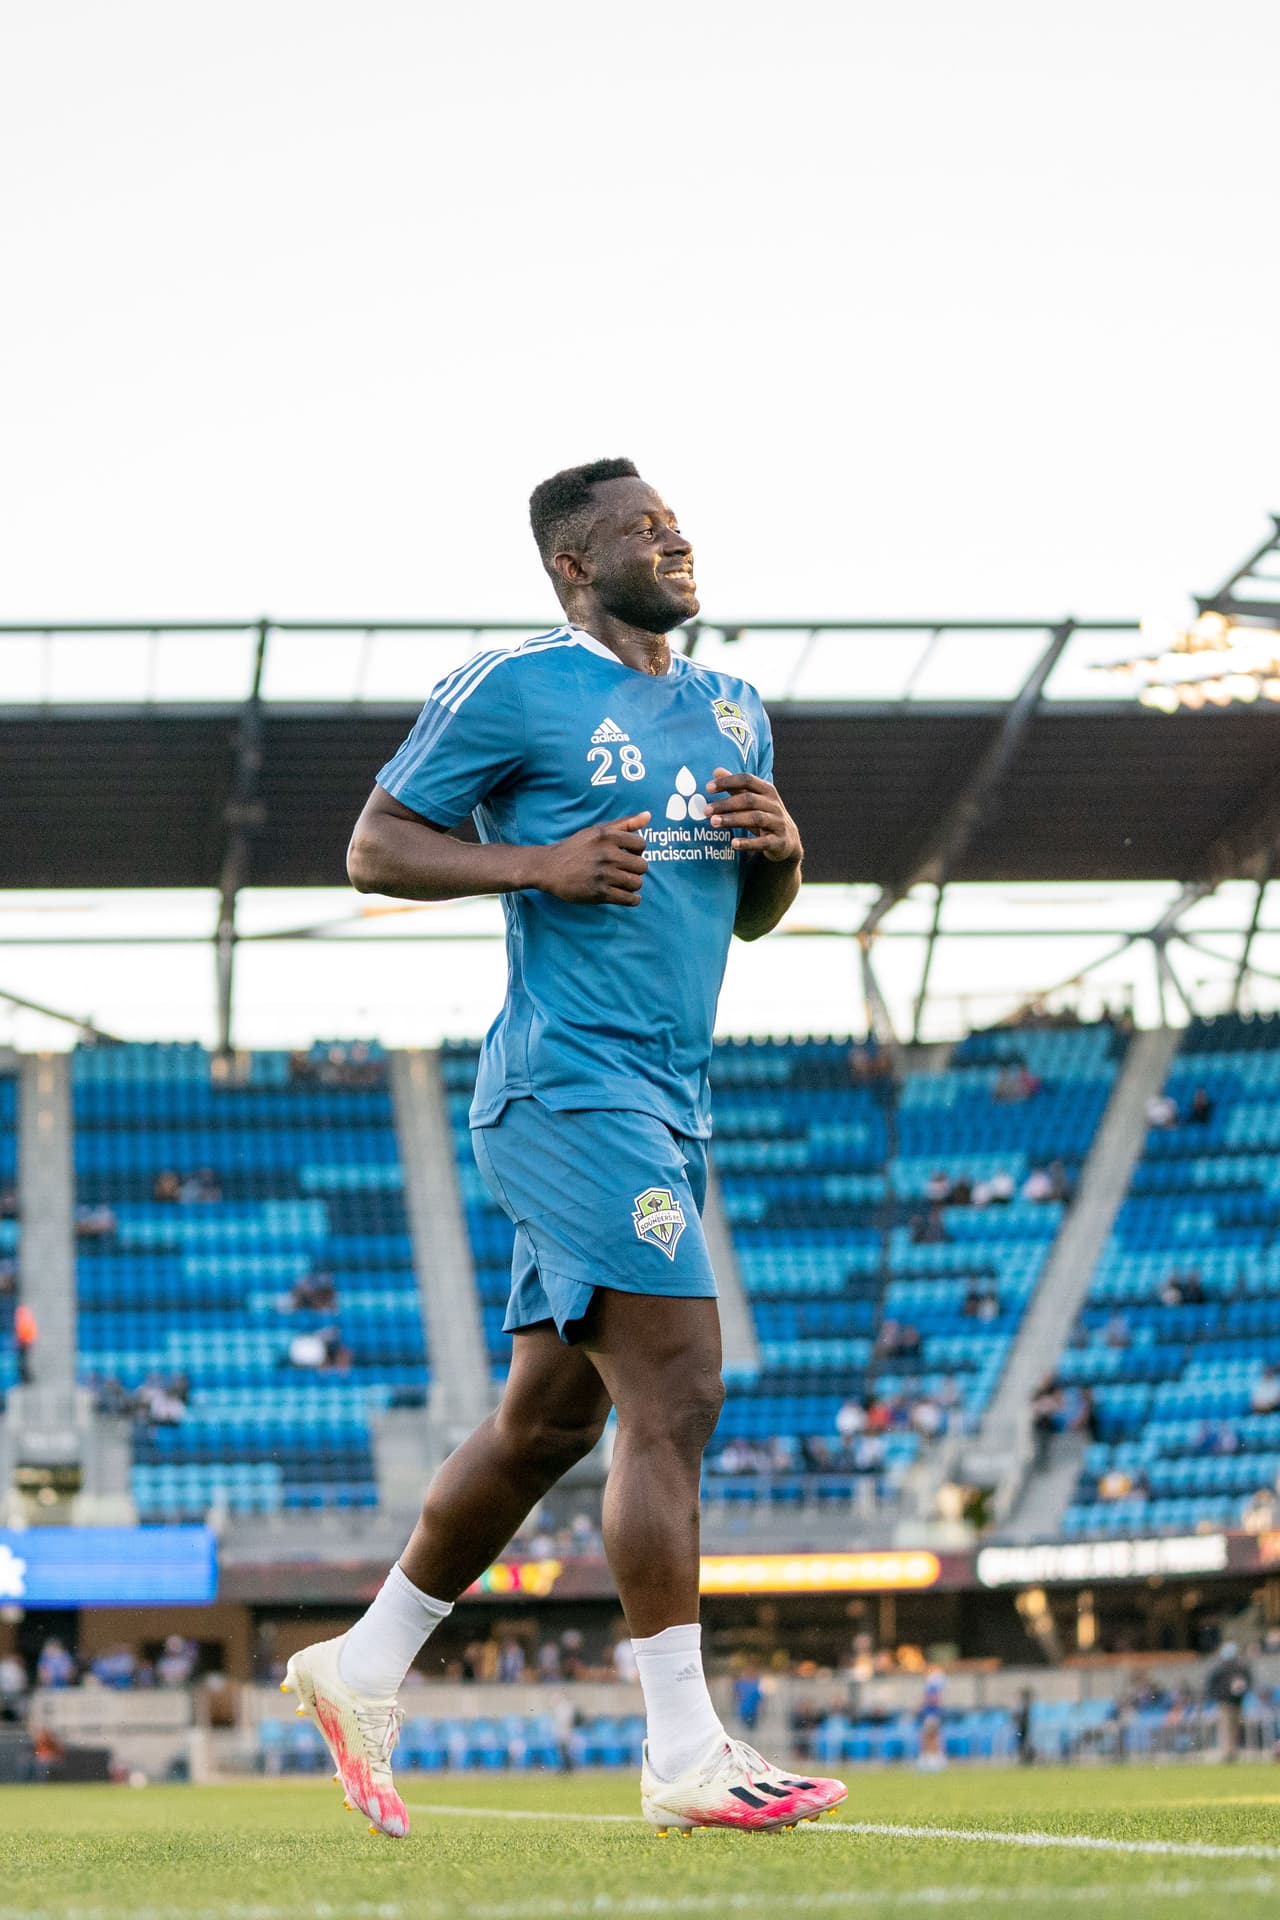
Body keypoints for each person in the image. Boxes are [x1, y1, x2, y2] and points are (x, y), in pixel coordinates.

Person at [281, 458, 847, 1840]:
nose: (676, 539)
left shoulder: (732, 706)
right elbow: (374, 847)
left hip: (673, 1095)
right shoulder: (516, 685)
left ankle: (359, 1668)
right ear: (574, 567)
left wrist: (781, 853)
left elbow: (749, 914)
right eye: (641, 530)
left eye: (678, 521)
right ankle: (682, 1753)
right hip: (568, 1086)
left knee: (550, 1422)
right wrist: (536, 863)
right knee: (680, 1386)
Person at [1204, 1640, 1252, 1762]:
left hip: (1237, 1701)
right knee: (1226, 1727)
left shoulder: (1240, 1667)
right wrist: (1218, 1695)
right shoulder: (1221, 1667)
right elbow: (1211, 1684)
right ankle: (1227, 1752)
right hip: (1225, 1702)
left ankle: (1232, 1752)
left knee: (1234, 1727)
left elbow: (1248, 1681)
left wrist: (1243, 1690)